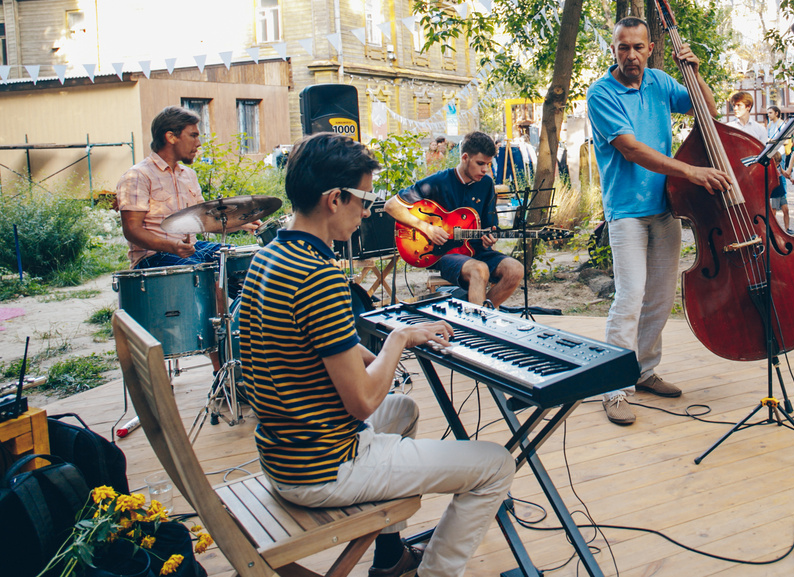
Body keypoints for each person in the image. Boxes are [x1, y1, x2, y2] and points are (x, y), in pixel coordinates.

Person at [238, 132, 515, 577]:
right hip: (323, 467)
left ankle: (390, 558)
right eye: (363, 200)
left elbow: (306, 350)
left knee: (402, 409)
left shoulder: (268, 257)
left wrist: (395, 343)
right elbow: (363, 401)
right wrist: (398, 340)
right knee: (496, 464)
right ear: (334, 199)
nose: (367, 212)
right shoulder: (318, 276)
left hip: (283, 450)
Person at [586, 17, 731, 426]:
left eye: (638, 47)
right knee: (630, 298)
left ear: (650, 48)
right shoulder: (601, 93)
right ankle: (613, 387)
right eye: (622, 47)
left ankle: (644, 370)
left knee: (661, 298)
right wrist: (691, 172)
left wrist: (696, 74)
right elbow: (631, 150)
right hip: (627, 213)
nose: (630, 55)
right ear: (613, 50)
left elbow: (709, 112)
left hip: (666, 208)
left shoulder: (661, 82)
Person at [385, 131, 524, 307]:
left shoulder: (487, 184)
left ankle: (480, 313)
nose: (485, 170)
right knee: (479, 269)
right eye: (480, 163)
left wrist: (489, 238)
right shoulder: (438, 182)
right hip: (442, 253)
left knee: (515, 269)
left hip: (475, 251)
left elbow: (490, 227)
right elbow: (391, 205)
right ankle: (477, 324)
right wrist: (427, 228)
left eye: (488, 164)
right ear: (465, 157)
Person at [115, 106, 256, 269]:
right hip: (153, 257)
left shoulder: (189, 175)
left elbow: (205, 221)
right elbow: (132, 230)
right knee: (203, 271)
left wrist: (242, 223)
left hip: (193, 250)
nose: (199, 143)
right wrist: (172, 246)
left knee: (248, 261)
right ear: (171, 137)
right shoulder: (138, 176)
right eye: (193, 136)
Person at [765, 105, 794, 233]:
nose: (768, 115)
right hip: (772, 153)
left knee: (780, 178)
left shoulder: (780, 124)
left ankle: (786, 228)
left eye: (770, 113)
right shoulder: (770, 124)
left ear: (777, 113)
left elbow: (786, 140)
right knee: (774, 208)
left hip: (779, 152)